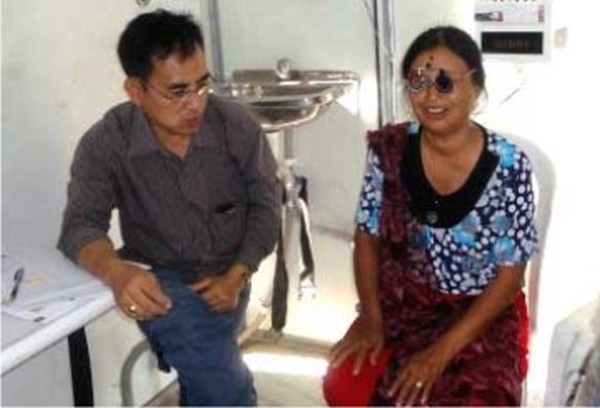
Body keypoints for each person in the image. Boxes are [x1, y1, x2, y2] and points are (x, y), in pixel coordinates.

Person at [57, 9, 280, 406]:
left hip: (232, 273)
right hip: (162, 281)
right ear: (135, 90)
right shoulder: (106, 143)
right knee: (226, 385)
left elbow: (266, 208)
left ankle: (186, 349)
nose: (195, 103)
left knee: (209, 371)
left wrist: (237, 274)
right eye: (177, 92)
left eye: (202, 85)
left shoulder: (236, 126)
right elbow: (80, 226)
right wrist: (117, 272)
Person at [323, 25, 538, 406]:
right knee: (345, 383)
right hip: (405, 305)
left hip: (481, 313)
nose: (430, 96)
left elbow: (510, 277)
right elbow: (367, 237)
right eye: (418, 82)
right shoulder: (389, 152)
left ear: (475, 88)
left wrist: (438, 354)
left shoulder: (508, 166)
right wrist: (372, 319)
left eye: (445, 82)